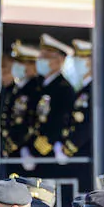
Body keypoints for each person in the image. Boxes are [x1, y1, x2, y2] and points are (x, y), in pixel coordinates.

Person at [28, 35, 76, 167]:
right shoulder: (39, 86)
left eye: (46, 57)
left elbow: (59, 122)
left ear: (60, 60)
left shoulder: (64, 89)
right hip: (33, 152)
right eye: (40, 56)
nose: (40, 60)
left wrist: (35, 151)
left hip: (49, 156)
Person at [59, 39, 94, 195]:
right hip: (77, 156)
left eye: (81, 59)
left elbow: (90, 124)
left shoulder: (95, 89)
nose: (76, 63)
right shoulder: (83, 89)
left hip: (86, 155)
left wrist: (68, 148)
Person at [2, 42, 41, 167]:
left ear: (33, 66)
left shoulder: (35, 89)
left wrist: (13, 144)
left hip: (23, 151)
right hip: (11, 150)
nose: (16, 66)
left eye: (21, 62)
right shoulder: (17, 88)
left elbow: (30, 120)